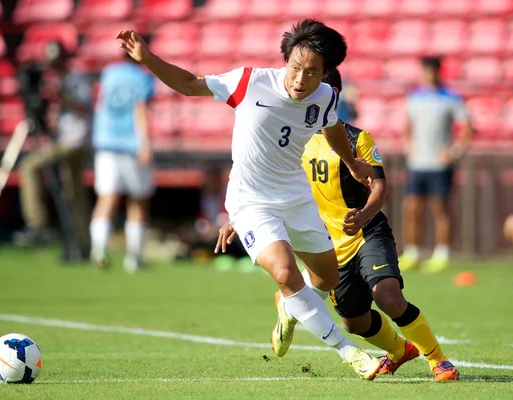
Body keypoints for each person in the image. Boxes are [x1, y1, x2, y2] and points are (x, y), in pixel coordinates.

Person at [118, 20, 382, 380]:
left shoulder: (325, 97)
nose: (300, 79)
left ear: (325, 74)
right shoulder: (248, 81)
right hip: (251, 202)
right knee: (287, 274)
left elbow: (332, 126)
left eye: (311, 73)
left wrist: (352, 162)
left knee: (327, 277)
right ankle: (350, 353)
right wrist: (147, 58)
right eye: (295, 68)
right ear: (285, 60)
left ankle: (290, 309)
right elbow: (189, 84)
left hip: (296, 197)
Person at [217, 68, 459, 382]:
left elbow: (380, 185)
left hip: (366, 233)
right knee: (354, 322)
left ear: (330, 95)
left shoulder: (358, 137)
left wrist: (365, 213)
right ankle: (401, 350)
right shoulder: (292, 141)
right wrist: (239, 216)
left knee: (388, 296)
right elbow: (263, 182)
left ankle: (439, 361)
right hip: (326, 245)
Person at [14, 41, 92, 257]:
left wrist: (59, 95)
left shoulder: (76, 78)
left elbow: (83, 107)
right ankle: (82, 242)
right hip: (66, 140)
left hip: (75, 141)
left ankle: (37, 223)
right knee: (73, 192)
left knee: (29, 166)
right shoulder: (59, 80)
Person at [399, 56, 473, 273]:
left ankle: (442, 254)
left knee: (440, 208)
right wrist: (407, 144)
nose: (428, 75)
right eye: (425, 71)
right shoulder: (414, 97)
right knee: (412, 207)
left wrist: (455, 151)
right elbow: (407, 125)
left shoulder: (450, 98)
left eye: (432, 71)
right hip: (417, 162)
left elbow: (467, 126)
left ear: (438, 72)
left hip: (439, 164)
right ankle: (413, 252)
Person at [89, 54, 155, 272]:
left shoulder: (109, 73)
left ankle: (98, 251)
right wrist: (144, 142)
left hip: (106, 142)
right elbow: (140, 108)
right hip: (130, 143)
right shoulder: (143, 77)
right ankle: (133, 258)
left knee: (106, 198)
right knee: (138, 200)